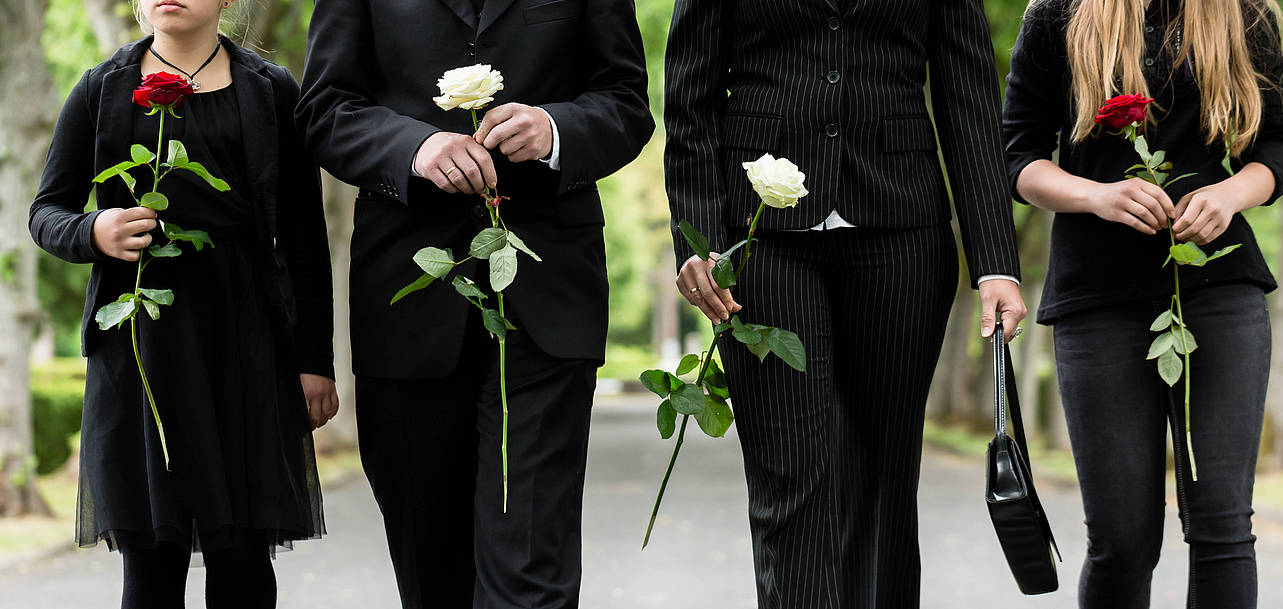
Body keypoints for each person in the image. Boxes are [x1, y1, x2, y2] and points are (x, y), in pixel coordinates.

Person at [664, 1, 1027, 607]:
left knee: (884, 478)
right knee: (789, 476)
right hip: (759, 240)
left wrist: (994, 261)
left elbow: (968, 94)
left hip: (903, 229)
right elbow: (689, 94)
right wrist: (698, 239)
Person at [296, 1, 652, 607]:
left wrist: (555, 129)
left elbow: (625, 101)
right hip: (406, 301)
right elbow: (325, 110)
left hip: (549, 299)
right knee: (433, 572)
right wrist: (415, 148)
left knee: (532, 573)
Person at [28, 1, 337, 607]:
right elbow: (46, 212)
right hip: (140, 345)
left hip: (247, 346)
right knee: (150, 566)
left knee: (244, 563)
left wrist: (314, 360)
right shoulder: (100, 89)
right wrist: (94, 231)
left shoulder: (271, 89)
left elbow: (304, 237)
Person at [1003, 0, 1283, 607]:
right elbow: (1017, 155)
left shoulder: (1245, 14)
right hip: (1096, 298)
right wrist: (1097, 196)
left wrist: (1229, 196)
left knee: (1222, 529)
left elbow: (1277, 146)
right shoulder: (1058, 14)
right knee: (1122, 541)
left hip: (1219, 289)